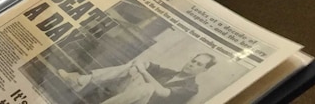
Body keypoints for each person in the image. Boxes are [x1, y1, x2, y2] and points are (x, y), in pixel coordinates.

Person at [59, 52, 216, 104]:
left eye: (198, 64)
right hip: (128, 97)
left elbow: (162, 92)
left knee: (148, 86)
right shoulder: (169, 72)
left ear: (204, 70)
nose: (192, 64)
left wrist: (144, 71)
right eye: (193, 60)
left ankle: (80, 82)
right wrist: (142, 65)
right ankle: (80, 80)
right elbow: (144, 64)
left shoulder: (191, 88)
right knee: (135, 68)